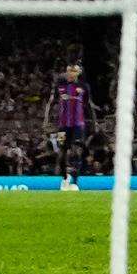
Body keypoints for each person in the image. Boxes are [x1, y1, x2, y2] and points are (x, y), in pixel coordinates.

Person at [44, 60, 95, 189]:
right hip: (63, 126)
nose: (71, 73)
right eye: (69, 71)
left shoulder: (84, 87)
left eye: (74, 71)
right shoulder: (59, 87)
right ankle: (64, 178)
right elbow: (51, 103)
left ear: (78, 72)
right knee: (62, 151)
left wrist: (93, 123)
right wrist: (46, 120)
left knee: (77, 151)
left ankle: (76, 181)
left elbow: (88, 105)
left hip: (78, 125)